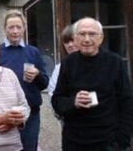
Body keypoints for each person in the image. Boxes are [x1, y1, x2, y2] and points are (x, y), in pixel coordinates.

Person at [52, 17, 133, 151]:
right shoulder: (68, 63)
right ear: (75, 38)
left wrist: (121, 142)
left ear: (101, 38)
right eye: (82, 34)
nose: (87, 39)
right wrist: (74, 102)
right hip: (74, 142)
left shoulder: (115, 63)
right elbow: (57, 101)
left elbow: (127, 103)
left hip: (108, 141)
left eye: (92, 34)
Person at [0, 9, 49, 151]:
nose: (15, 31)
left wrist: (37, 74)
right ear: (5, 29)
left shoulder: (33, 52)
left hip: (30, 113)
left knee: (28, 148)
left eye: (18, 27)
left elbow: (44, 83)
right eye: (11, 27)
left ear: (24, 28)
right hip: (5, 112)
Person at [48, 24, 78, 98]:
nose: (70, 45)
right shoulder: (60, 68)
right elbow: (53, 93)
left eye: (73, 40)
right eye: (66, 42)